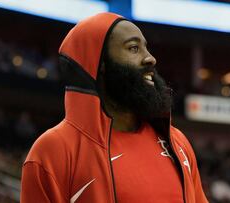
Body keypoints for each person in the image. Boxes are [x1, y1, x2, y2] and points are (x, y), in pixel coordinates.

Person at [21, 12, 208, 203]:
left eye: (146, 48)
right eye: (134, 48)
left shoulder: (178, 142)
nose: (151, 58)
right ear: (99, 63)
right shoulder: (53, 150)